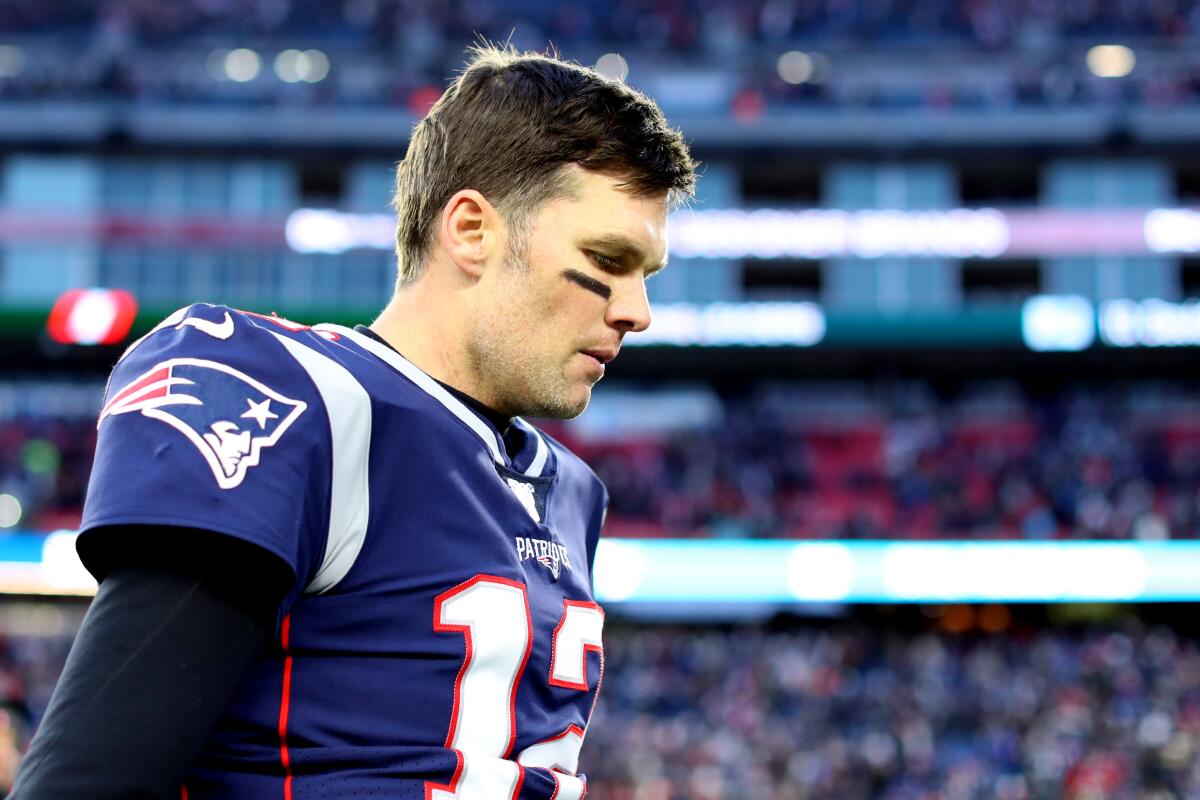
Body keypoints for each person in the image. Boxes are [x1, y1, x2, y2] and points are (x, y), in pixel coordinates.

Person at [10, 44, 696, 799]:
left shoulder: (568, 492)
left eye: (646, 275)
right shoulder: (305, 401)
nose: (636, 310)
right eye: (607, 257)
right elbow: (88, 780)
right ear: (471, 230)